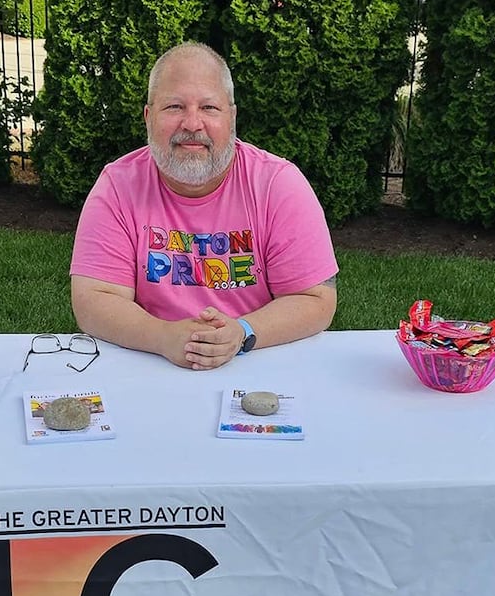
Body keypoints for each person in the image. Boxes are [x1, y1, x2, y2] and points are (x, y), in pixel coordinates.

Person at [69, 43, 338, 371]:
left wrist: (242, 332)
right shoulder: (117, 186)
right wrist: (162, 336)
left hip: (257, 362)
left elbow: (316, 299)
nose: (192, 123)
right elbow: (93, 299)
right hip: (148, 363)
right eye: (174, 106)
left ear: (232, 116)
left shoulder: (278, 185)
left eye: (209, 107)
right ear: (148, 117)